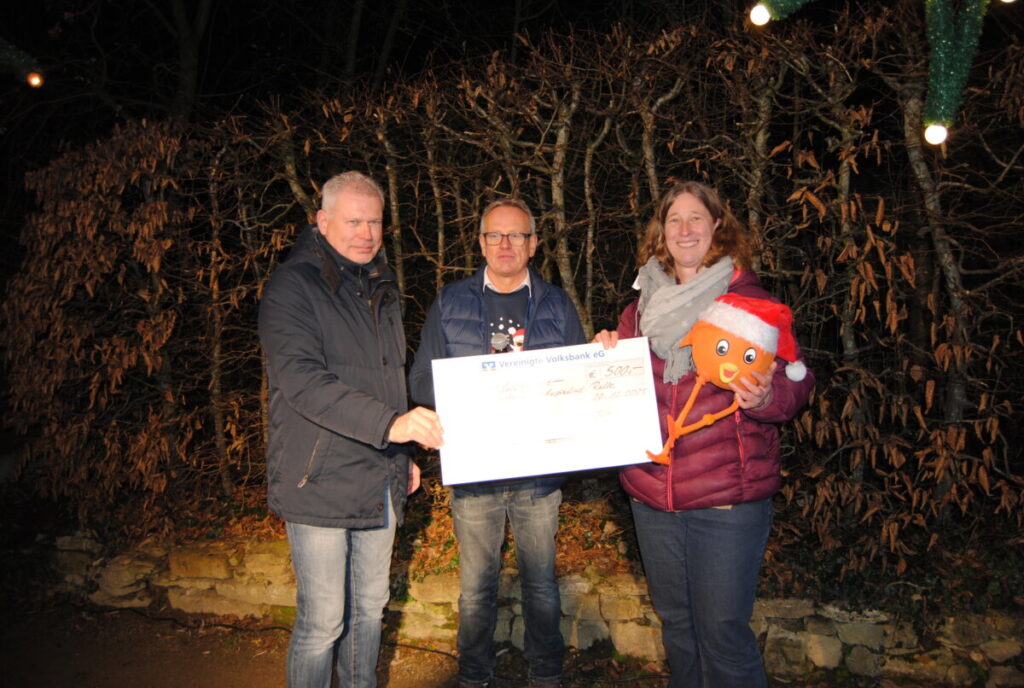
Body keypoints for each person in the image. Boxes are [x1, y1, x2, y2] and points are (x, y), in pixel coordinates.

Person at [593, 181, 815, 688]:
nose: (685, 229)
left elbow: (796, 382)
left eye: (696, 218)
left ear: (717, 226)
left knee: (722, 636)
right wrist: (604, 354)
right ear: (661, 231)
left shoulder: (749, 304)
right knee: (678, 628)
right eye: (674, 219)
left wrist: (766, 397)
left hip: (725, 502)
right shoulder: (639, 310)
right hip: (653, 497)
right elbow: (619, 390)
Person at [258, 171, 444, 688]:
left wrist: (400, 456)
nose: (366, 233)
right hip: (317, 479)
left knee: (369, 611)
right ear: (322, 222)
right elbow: (303, 382)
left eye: (375, 222)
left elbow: (386, 380)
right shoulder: (292, 286)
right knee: (323, 622)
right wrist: (393, 425)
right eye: (353, 222)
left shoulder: (380, 284)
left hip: (377, 475)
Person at [409, 198, 586, 688]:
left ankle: (546, 673)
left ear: (533, 244)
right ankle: (473, 674)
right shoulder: (450, 301)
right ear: (481, 242)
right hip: (475, 471)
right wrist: (474, 390)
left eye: (516, 235)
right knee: (475, 591)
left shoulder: (556, 305)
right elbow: (419, 380)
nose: (505, 244)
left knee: (542, 587)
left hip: (538, 475)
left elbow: (580, 382)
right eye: (494, 235)